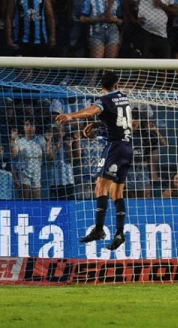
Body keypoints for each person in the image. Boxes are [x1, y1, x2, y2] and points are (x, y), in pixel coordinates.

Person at [55, 70, 132, 251]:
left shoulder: (105, 100)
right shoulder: (123, 97)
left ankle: (98, 229)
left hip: (114, 149)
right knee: (117, 192)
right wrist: (100, 125)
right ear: (116, 85)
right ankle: (119, 233)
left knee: (100, 187)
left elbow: (92, 111)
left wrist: (71, 116)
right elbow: (121, 121)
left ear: (101, 86)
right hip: (128, 148)